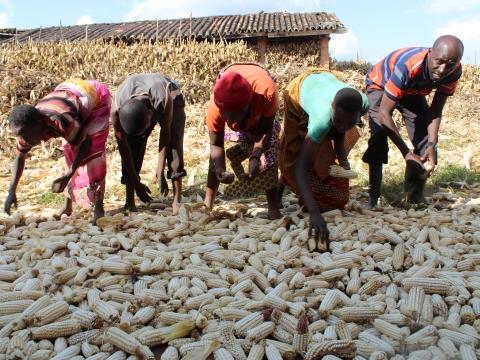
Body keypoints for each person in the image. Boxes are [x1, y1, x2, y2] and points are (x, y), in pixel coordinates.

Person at [362, 35, 464, 208]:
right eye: (439, 61)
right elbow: (384, 114)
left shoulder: (454, 71)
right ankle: (374, 196)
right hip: (381, 84)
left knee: (425, 140)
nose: (442, 69)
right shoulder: (409, 66)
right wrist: (406, 153)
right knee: (379, 135)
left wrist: (431, 143)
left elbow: (435, 110)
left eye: (450, 64)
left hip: (413, 91)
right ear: (430, 53)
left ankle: (413, 198)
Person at [278, 69, 368, 250]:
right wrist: (314, 213)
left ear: (359, 115)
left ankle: (315, 187)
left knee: (331, 146)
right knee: (293, 151)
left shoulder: (364, 103)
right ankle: (280, 189)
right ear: (332, 109)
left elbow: (338, 131)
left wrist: (342, 159)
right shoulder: (321, 118)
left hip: (326, 82)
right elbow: (300, 168)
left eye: (350, 122)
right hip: (300, 89)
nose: (344, 127)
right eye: (339, 120)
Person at [4, 79, 111, 223]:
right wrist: (12, 190)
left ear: (39, 124)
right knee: (69, 151)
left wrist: (70, 172)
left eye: (27, 136)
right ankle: (67, 206)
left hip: (95, 96)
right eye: (20, 136)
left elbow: (86, 142)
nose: (25, 141)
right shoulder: (25, 130)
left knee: (94, 153)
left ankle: (99, 206)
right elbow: (20, 157)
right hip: (69, 94)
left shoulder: (61, 120)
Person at [204, 63, 282, 219]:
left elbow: (265, 129)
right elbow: (216, 144)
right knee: (216, 159)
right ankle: (208, 203)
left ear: (249, 104)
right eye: (227, 116)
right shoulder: (215, 109)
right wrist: (221, 169)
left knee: (270, 150)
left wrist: (256, 154)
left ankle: (273, 207)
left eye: (236, 115)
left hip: (259, 115)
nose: (231, 120)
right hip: (239, 104)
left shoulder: (266, 93)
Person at [111, 73, 186, 214]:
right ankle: (129, 201)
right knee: (133, 146)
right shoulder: (116, 110)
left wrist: (160, 171)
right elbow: (124, 148)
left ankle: (177, 198)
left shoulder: (163, 98)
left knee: (174, 145)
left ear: (151, 113)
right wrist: (135, 182)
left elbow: (166, 133)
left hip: (172, 97)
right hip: (137, 104)